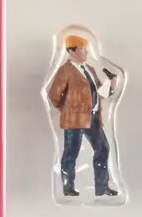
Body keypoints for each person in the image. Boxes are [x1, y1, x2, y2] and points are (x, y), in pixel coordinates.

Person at [46, 35, 119, 197]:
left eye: (86, 48)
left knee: (103, 148)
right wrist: (68, 109)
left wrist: (112, 85)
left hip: (93, 117)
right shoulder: (65, 71)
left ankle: (102, 186)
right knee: (71, 152)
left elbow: (99, 93)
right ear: (71, 51)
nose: (86, 51)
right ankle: (68, 187)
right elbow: (54, 95)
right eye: (82, 49)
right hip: (74, 120)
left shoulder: (89, 69)